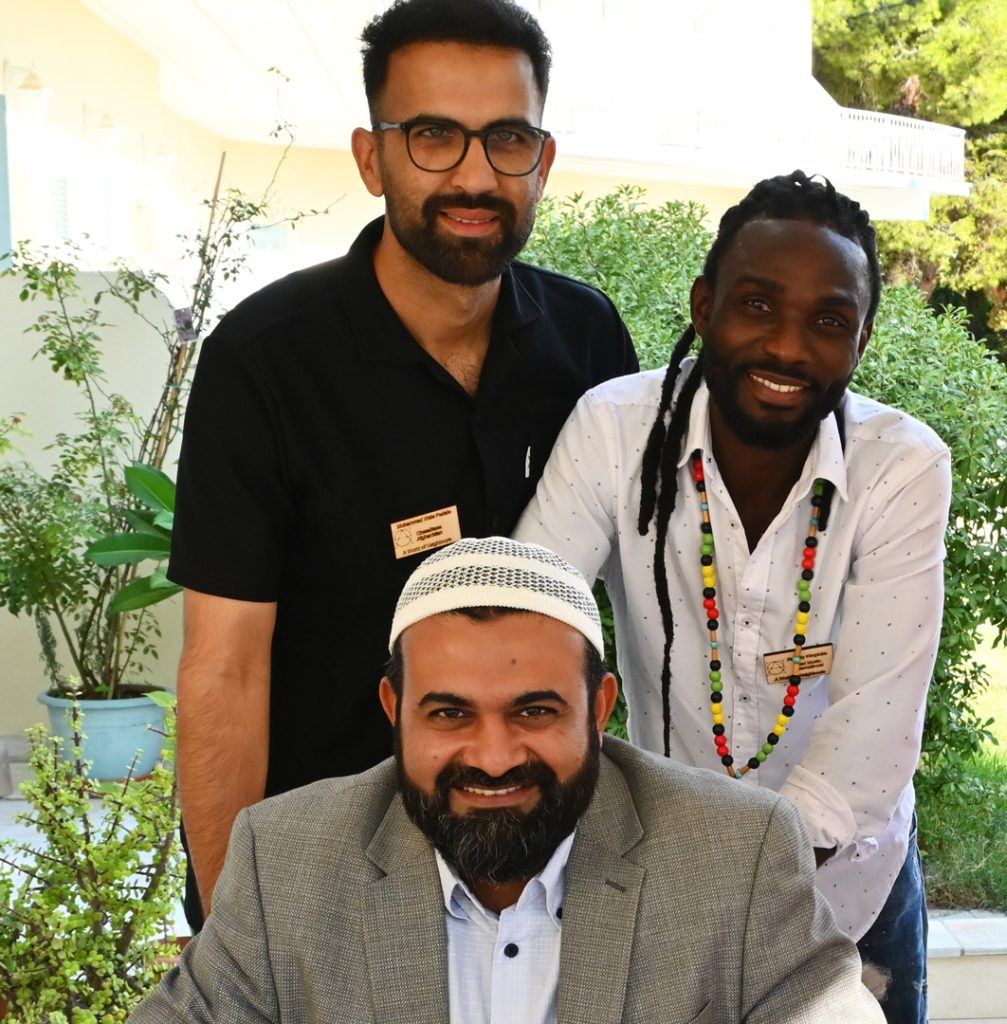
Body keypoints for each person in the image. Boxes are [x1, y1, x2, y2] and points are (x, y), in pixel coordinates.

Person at [167, 0, 637, 929]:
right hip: (327, 874)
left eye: (506, 138)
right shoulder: (264, 361)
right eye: (433, 136)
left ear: (541, 160)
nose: (473, 174)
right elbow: (225, 672)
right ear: (370, 155)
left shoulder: (585, 340)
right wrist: (236, 926)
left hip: (540, 870)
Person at [515, 171, 952, 1023]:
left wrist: (723, 894)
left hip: (848, 889)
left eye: (829, 321)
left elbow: (871, 735)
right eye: (757, 305)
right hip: (660, 880)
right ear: (704, 307)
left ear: (861, 339)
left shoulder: (901, 467)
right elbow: (531, 636)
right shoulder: (616, 430)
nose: (789, 347)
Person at [130, 537, 884, 1023]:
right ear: (395, 710)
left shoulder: (733, 850)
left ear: (600, 708)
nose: (493, 758)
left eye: (534, 710)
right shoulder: (287, 857)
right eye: (451, 713)